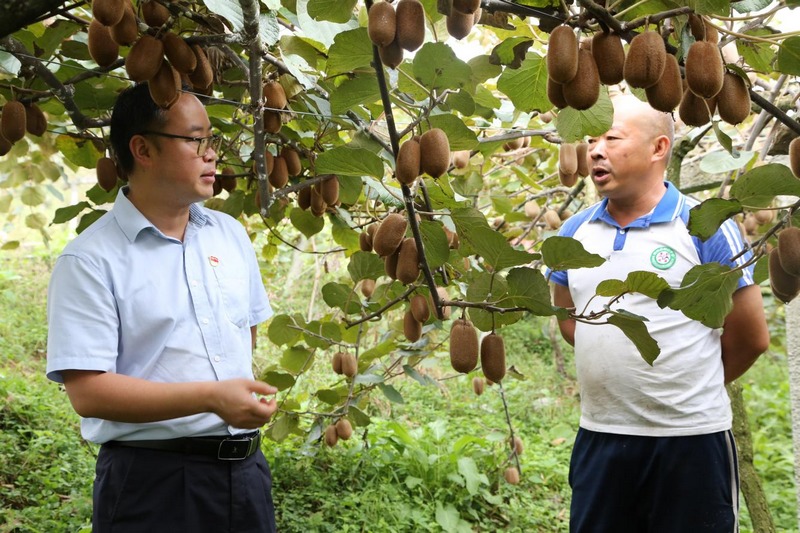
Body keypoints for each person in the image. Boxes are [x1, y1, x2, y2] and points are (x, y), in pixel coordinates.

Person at [46, 83, 278, 532]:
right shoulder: (89, 259)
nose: (211, 154)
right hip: (153, 485)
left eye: (211, 140)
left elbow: (243, 334)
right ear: (143, 149)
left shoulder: (229, 235)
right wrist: (211, 398)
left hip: (246, 476)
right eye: (195, 140)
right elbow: (88, 393)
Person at [548, 94, 770, 532]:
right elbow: (572, 322)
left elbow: (751, 336)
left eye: (612, 138)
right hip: (601, 436)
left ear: (659, 149)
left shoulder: (705, 225)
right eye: (592, 139)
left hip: (690, 442)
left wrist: (687, 381)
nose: (595, 149)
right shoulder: (573, 233)